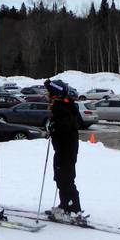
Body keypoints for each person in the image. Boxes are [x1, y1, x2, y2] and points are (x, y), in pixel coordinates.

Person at [44, 78, 83, 219]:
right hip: (64, 150)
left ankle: (74, 209)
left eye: (49, 92)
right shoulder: (65, 106)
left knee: (66, 180)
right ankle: (64, 205)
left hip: (65, 151)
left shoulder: (62, 108)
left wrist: (53, 128)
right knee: (61, 179)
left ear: (56, 94)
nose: (47, 95)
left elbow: (65, 128)